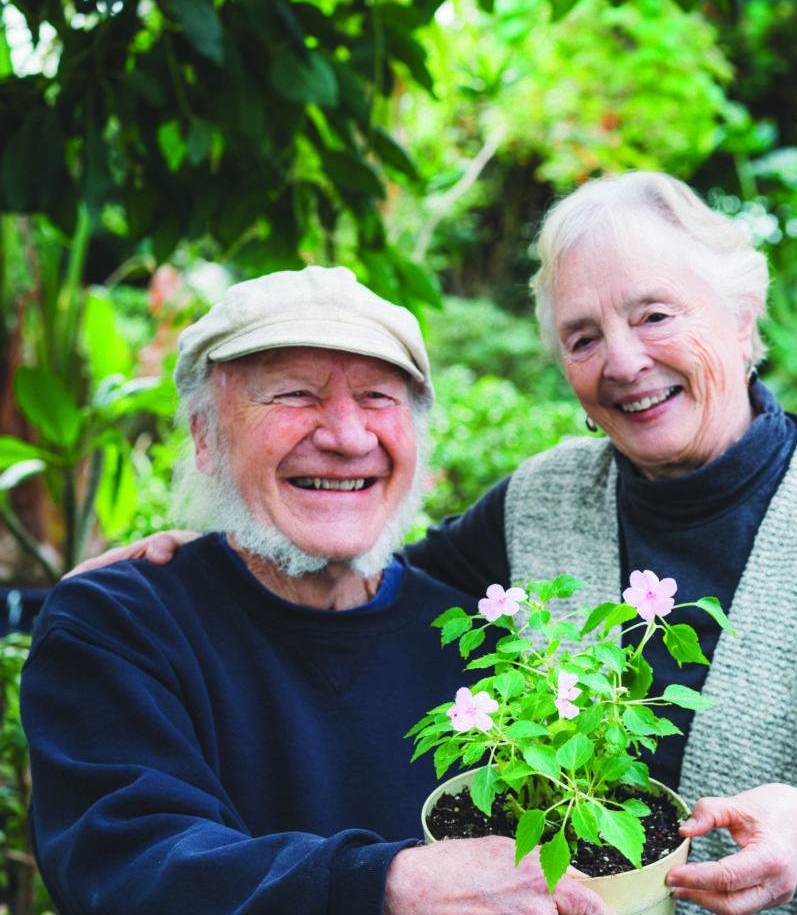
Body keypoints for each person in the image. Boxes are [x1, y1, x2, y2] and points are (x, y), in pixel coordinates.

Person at [71, 172, 797, 915]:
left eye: (656, 315)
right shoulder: (540, 504)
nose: (623, 361)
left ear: (742, 320)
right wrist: (200, 553)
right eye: (583, 336)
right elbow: (349, 585)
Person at [20, 266, 608, 915]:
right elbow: (136, 868)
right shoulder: (117, 627)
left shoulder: (479, 642)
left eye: (378, 398)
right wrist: (385, 884)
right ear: (204, 437)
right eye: (294, 395)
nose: (347, 437)